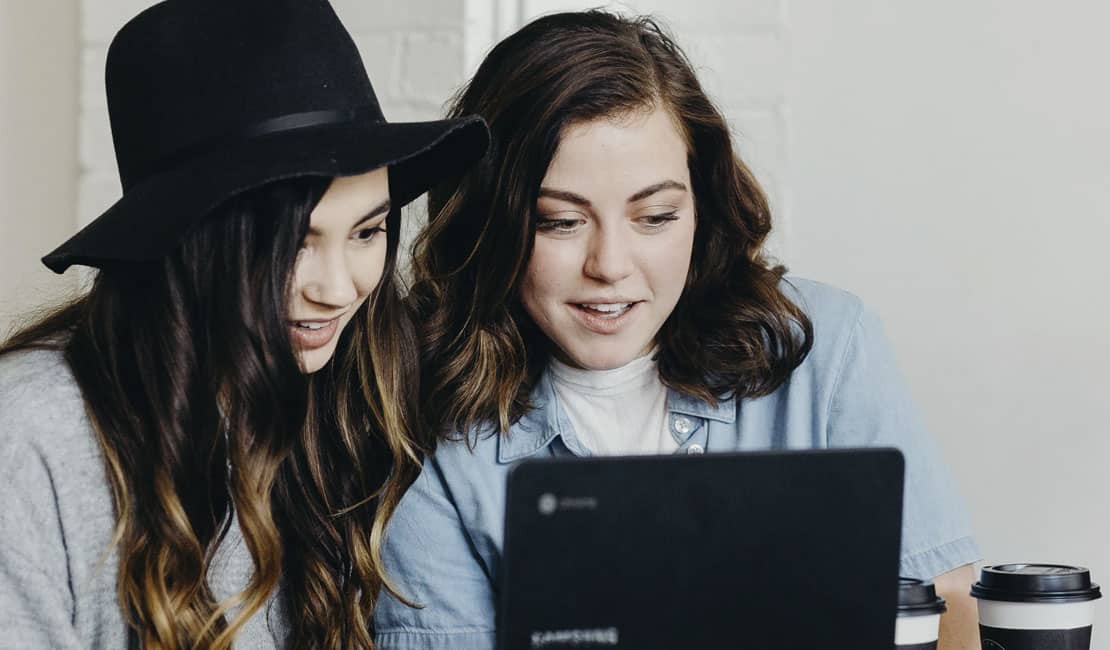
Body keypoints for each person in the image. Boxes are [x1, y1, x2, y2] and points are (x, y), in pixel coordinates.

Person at [373, 11, 980, 649]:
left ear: (701, 208)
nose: (609, 266)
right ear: (491, 225)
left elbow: (947, 617)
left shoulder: (826, 347)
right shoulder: (421, 413)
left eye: (655, 216)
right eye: (559, 222)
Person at [0, 0, 488, 648]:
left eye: (368, 231)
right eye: (293, 244)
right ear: (194, 245)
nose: (338, 290)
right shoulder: (36, 433)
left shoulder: (353, 399)